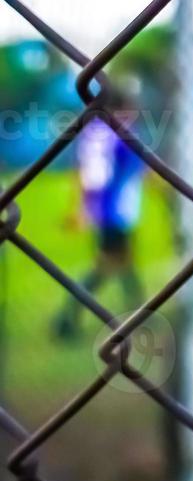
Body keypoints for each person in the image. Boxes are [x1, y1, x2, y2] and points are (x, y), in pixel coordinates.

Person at [53, 98, 147, 341]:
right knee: (104, 267)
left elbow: (86, 172)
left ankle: (141, 313)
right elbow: (140, 169)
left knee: (124, 262)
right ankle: (67, 318)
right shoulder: (122, 136)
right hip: (117, 211)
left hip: (109, 210)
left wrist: (82, 208)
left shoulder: (96, 133)